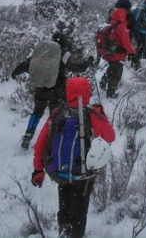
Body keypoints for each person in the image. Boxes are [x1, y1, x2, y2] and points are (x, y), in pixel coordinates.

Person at [31, 77, 115, 238]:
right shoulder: (91, 114)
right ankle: (76, 233)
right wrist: (101, 116)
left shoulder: (57, 114)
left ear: (68, 92)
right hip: (83, 174)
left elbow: (40, 144)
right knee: (79, 212)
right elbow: (110, 136)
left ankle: (64, 230)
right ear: (87, 92)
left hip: (60, 172)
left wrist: (38, 170)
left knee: (65, 205)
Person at [13, 21, 93, 149]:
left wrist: (15, 72)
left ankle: (28, 134)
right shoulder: (63, 53)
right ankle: (52, 138)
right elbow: (77, 67)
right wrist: (88, 62)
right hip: (57, 90)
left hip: (40, 88)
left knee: (37, 112)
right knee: (55, 114)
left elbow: (27, 64)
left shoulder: (41, 52)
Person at [100, 3, 136, 98]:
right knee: (117, 73)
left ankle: (104, 80)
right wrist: (132, 52)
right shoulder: (121, 26)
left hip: (108, 52)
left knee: (112, 68)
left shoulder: (110, 23)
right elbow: (126, 42)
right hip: (117, 54)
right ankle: (111, 92)